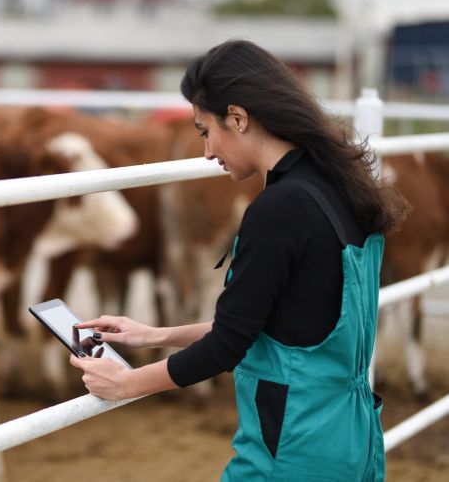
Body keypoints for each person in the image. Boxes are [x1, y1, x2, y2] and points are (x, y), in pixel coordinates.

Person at [68, 39, 408, 481]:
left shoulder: (279, 208)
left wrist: (127, 384)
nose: (207, 153)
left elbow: (228, 346)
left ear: (239, 118)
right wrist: (155, 334)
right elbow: (283, 327)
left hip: (290, 448)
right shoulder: (343, 189)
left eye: (205, 131)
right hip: (354, 436)